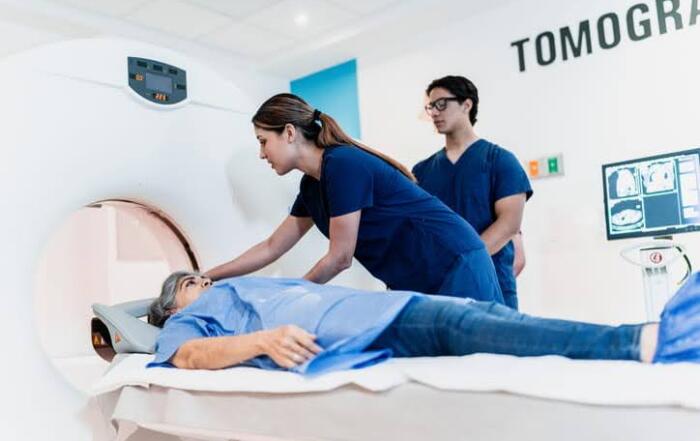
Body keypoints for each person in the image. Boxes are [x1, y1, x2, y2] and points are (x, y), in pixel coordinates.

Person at [205, 93, 503, 303]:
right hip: (412, 277)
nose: (261, 154)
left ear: (289, 132)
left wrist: (288, 297)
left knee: (480, 363)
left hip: (453, 262)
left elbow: (340, 258)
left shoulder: (343, 164)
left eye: (263, 141)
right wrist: (207, 276)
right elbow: (271, 247)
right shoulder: (312, 186)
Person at [147, 270, 700, 375]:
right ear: (176, 304)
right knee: (463, 326)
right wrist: (262, 340)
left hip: (381, 307)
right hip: (359, 332)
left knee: (483, 317)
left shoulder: (247, 286)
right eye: (193, 281)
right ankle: (640, 342)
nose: (207, 280)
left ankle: (636, 337)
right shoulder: (190, 322)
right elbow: (189, 359)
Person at [413, 76, 533, 309]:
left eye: (441, 104)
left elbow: (508, 224)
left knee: (497, 344)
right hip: (439, 291)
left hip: (490, 284)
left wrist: (463, 266)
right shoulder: (422, 171)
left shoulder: (500, 161)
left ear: (466, 105)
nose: (435, 113)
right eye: (431, 107)